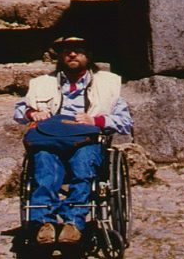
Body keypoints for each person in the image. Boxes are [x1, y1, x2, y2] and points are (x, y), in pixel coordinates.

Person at [14, 36, 133, 246]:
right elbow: (19, 110)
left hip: (86, 139)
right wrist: (33, 113)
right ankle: (43, 223)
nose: (72, 54)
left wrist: (95, 119)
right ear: (59, 56)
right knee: (44, 167)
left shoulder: (107, 84)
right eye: (67, 51)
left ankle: (73, 222)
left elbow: (124, 122)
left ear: (88, 55)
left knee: (83, 167)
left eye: (78, 50)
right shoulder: (43, 84)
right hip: (51, 139)